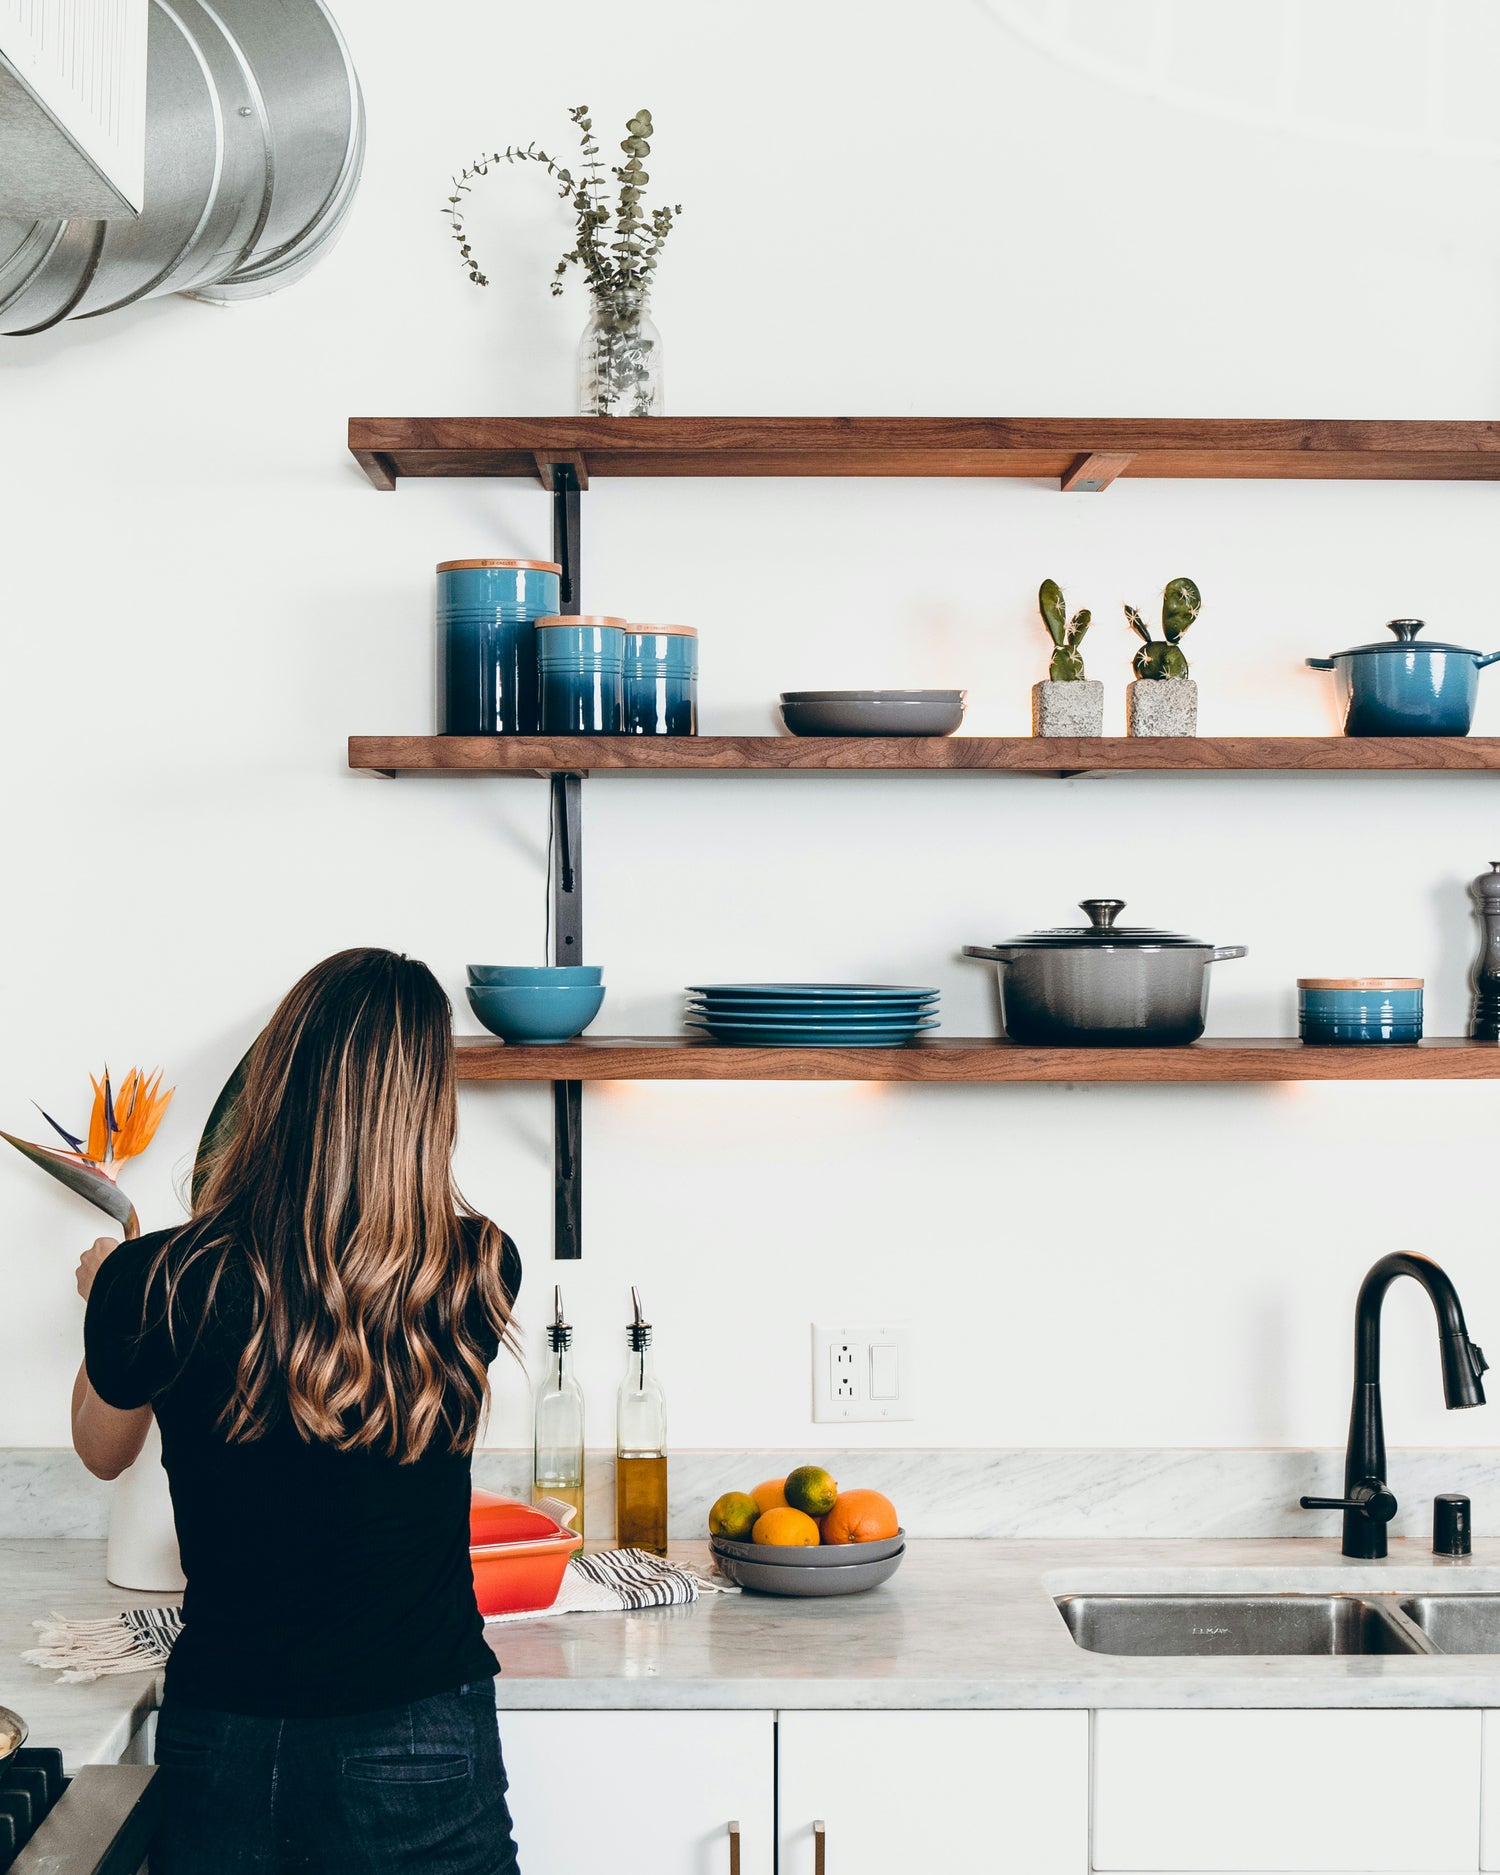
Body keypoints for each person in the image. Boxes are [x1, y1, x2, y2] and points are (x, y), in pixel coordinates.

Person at [72, 948, 524, 1874]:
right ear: (427, 1108)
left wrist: (107, 1301)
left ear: (273, 1079)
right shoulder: (477, 1268)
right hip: (420, 1732)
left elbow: (100, 1449)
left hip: (225, 1735)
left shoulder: (156, 1278)